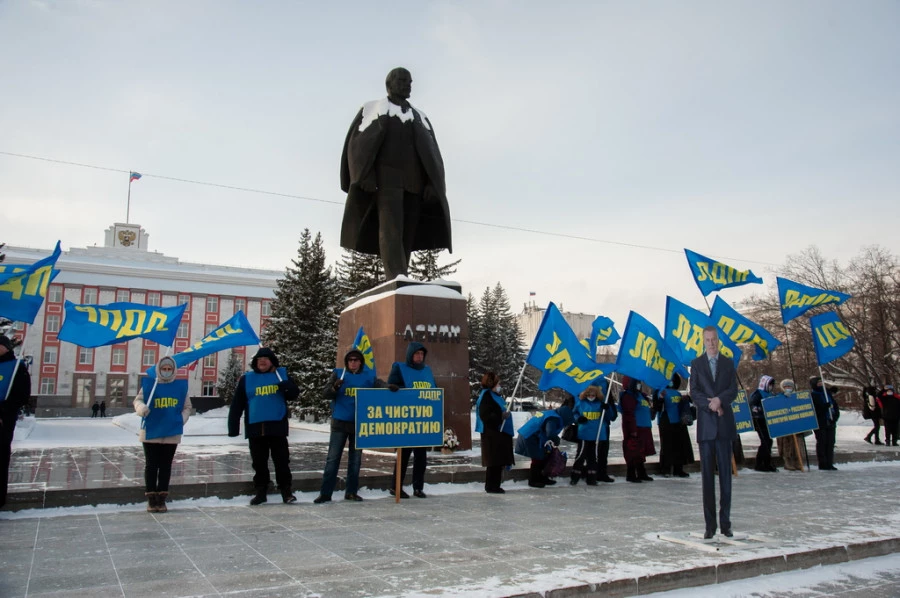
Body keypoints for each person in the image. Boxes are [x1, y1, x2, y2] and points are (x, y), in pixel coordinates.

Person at [339, 67, 452, 281]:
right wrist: (366, 175)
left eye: (409, 81)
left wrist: (431, 184)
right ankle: (396, 278)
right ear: (389, 84)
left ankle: (402, 276)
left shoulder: (419, 117)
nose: (407, 84)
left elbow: (433, 155)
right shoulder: (372, 110)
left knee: (407, 234)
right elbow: (358, 147)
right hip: (386, 184)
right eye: (402, 80)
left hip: (415, 186)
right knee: (390, 231)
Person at [228, 347, 300, 505]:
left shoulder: (281, 375)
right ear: (255, 362)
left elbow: (294, 394)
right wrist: (233, 427)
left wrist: (287, 385)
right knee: (259, 462)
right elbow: (237, 404)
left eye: (266, 359)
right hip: (255, 427)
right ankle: (261, 492)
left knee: (281, 461)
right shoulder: (247, 379)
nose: (262, 361)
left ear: (272, 362)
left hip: (277, 427)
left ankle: (286, 491)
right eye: (260, 359)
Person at [314, 349, 387, 504]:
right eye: (350, 360)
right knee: (333, 459)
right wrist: (334, 387)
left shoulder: (368, 376)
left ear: (361, 362)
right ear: (347, 362)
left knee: (355, 460)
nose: (353, 362)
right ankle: (326, 493)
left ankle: (351, 492)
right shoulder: (338, 374)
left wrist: (391, 387)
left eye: (356, 360)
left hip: (359, 423)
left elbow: (380, 384)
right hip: (340, 422)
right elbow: (325, 393)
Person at [690, 326, 738, 539]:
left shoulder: (728, 363)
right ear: (703, 341)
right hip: (707, 428)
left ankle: (725, 523)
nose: (711, 343)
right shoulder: (697, 364)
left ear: (718, 341)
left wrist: (720, 401)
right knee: (707, 478)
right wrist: (710, 405)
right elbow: (694, 392)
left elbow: (733, 389)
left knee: (726, 477)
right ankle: (710, 525)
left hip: (725, 426)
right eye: (707, 340)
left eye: (714, 339)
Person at [133, 356, 192, 513]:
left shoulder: (180, 388)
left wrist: (180, 419)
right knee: (151, 465)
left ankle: (162, 498)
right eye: (164, 369)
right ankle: (151, 498)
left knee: (165, 466)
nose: (166, 371)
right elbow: (137, 401)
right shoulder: (150, 385)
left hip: (171, 432)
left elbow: (187, 407)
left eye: (169, 369)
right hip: (151, 431)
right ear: (159, 369)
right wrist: (142, 409)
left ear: (173, 371)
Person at [387, 341, 436, 498]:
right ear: (410, 354)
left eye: (422, 354)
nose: (420, 356)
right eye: (417, 353)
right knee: (404, 455)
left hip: (423, 419)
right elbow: (391, 388)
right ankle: (396, 486)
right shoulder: (399, 368)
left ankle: (418, 487)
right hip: (405, 419)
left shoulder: (427, 371)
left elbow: (433, 390)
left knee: (421, 456)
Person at [0, 335, 30, 510]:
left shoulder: (16, 367)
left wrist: (4, 412)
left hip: (4, 421)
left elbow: (22, 395)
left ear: (6, 347)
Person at [514, 403, 576, 488]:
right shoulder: (553, 418)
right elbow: (550, 432)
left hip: (532, 435)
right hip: (530, 436)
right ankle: (533, 480)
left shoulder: (551, 413)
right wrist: (556, 439)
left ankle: (542, 477)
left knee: (543, 457)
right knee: (537, 458)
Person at [475, 372, 514, 494]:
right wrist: (500, 416)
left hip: (499, 433)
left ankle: (494, 484)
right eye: (498, 383)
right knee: (494, 461)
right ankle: (492, 486)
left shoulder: (495, 395)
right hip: (492, 433)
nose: (499, 386)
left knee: (498, 460)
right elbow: (485, 415)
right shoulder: (487, 396)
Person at [571, 382, 618, 485]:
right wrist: (578, 419)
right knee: (580, 456)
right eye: (589, 395)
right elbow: (574, 413)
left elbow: (609, 417)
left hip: (598, 435)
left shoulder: (600, 404)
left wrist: (608, 408)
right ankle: (575, 476)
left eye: (593, 395)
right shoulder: (581, 403)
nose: (591, 397)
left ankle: (591, 478)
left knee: (594, 458)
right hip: (584, 434)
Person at [654, 373, 695, 478]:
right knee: (667, 446)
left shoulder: (677, 393)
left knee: (680, 446)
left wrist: (687, 399)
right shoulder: (660, 391)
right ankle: (666, 469)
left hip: (679, 422)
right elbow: (657, 407)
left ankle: (679, 469)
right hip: (666, 421)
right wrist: (661, 399)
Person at [619, 376, 656, 483]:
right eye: (636, 383)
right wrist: (632, 429)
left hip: (644, 427)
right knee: (633, 451)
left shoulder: (641, 396)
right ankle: (631, 474)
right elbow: (628, 414)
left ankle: (641, 472)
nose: (639, 385)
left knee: (640, 452)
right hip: (635, 428)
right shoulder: (628, 396)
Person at [810, 376, 840, 471]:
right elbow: (814, 410)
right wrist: (824, 407)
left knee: (830, 443)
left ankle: (829, 462)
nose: (820, 384)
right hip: (820, 423)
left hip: (830, 422)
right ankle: (823, 463)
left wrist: (835, 417)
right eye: (818, 383)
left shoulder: (827, 394)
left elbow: (835, 406)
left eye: (821, 382)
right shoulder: (813, 395)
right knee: (822, 442)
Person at [749, 375, 778, 472]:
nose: (771, 386)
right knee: (765, 442)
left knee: (769, 442)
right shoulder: (757, 394)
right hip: (759, 420)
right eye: (770, 384)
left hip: (768, 421)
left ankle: (767, 463)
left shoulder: (770, 394)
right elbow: (753, 406)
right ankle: (759, 464)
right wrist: (761, 410)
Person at [776, 379, 804, 471]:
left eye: (790, 387)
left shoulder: (796, 397)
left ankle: (797, 461)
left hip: (795, 424)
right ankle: (787, 462)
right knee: (786, 444)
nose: (788, 388)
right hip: (785, 425)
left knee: (796, 444)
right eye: (786, 387)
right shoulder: (779, 397)